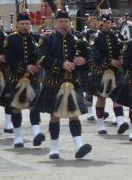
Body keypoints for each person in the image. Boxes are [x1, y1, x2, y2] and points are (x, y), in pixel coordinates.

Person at [32, 10, 92, 159]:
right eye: (60, 22)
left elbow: (91, 57)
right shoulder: (47, 39)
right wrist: (61, 64)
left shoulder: (78, 40)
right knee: (55, 116)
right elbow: (41, 58)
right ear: (55, 23)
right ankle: (54, 148)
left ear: (70, 23)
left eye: (66, 21)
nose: (64, 24)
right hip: (54, 82)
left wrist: (84, 61)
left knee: (74, 116)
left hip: (73, 82)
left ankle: (79, 146)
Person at [1, 12, 45, 148]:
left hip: (34, 79)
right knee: (16, 108)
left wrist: (40, 63)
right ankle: (18, 136)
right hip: (16, 78)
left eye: (27, 24)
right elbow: (10, 59)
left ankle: (36, 133)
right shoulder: (11, 39)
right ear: (17, 25)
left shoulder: (37, 38)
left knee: (35, 106)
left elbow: (44, 54)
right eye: (23, 24)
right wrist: (26, 66)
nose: (26, 26)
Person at [90, 14, 129, 135]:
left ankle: (121, 121)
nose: (108, 24)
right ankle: (100, 124)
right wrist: (109, 61)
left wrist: (122, 57)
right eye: (106, 22)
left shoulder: (116, 35)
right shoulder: (94, 37)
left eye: (110, 22)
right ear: (101, 23)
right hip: (101, 71)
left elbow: (123, 47)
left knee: (117, 96)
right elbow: (94, 54)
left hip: (116, 70)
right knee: (102, 97)